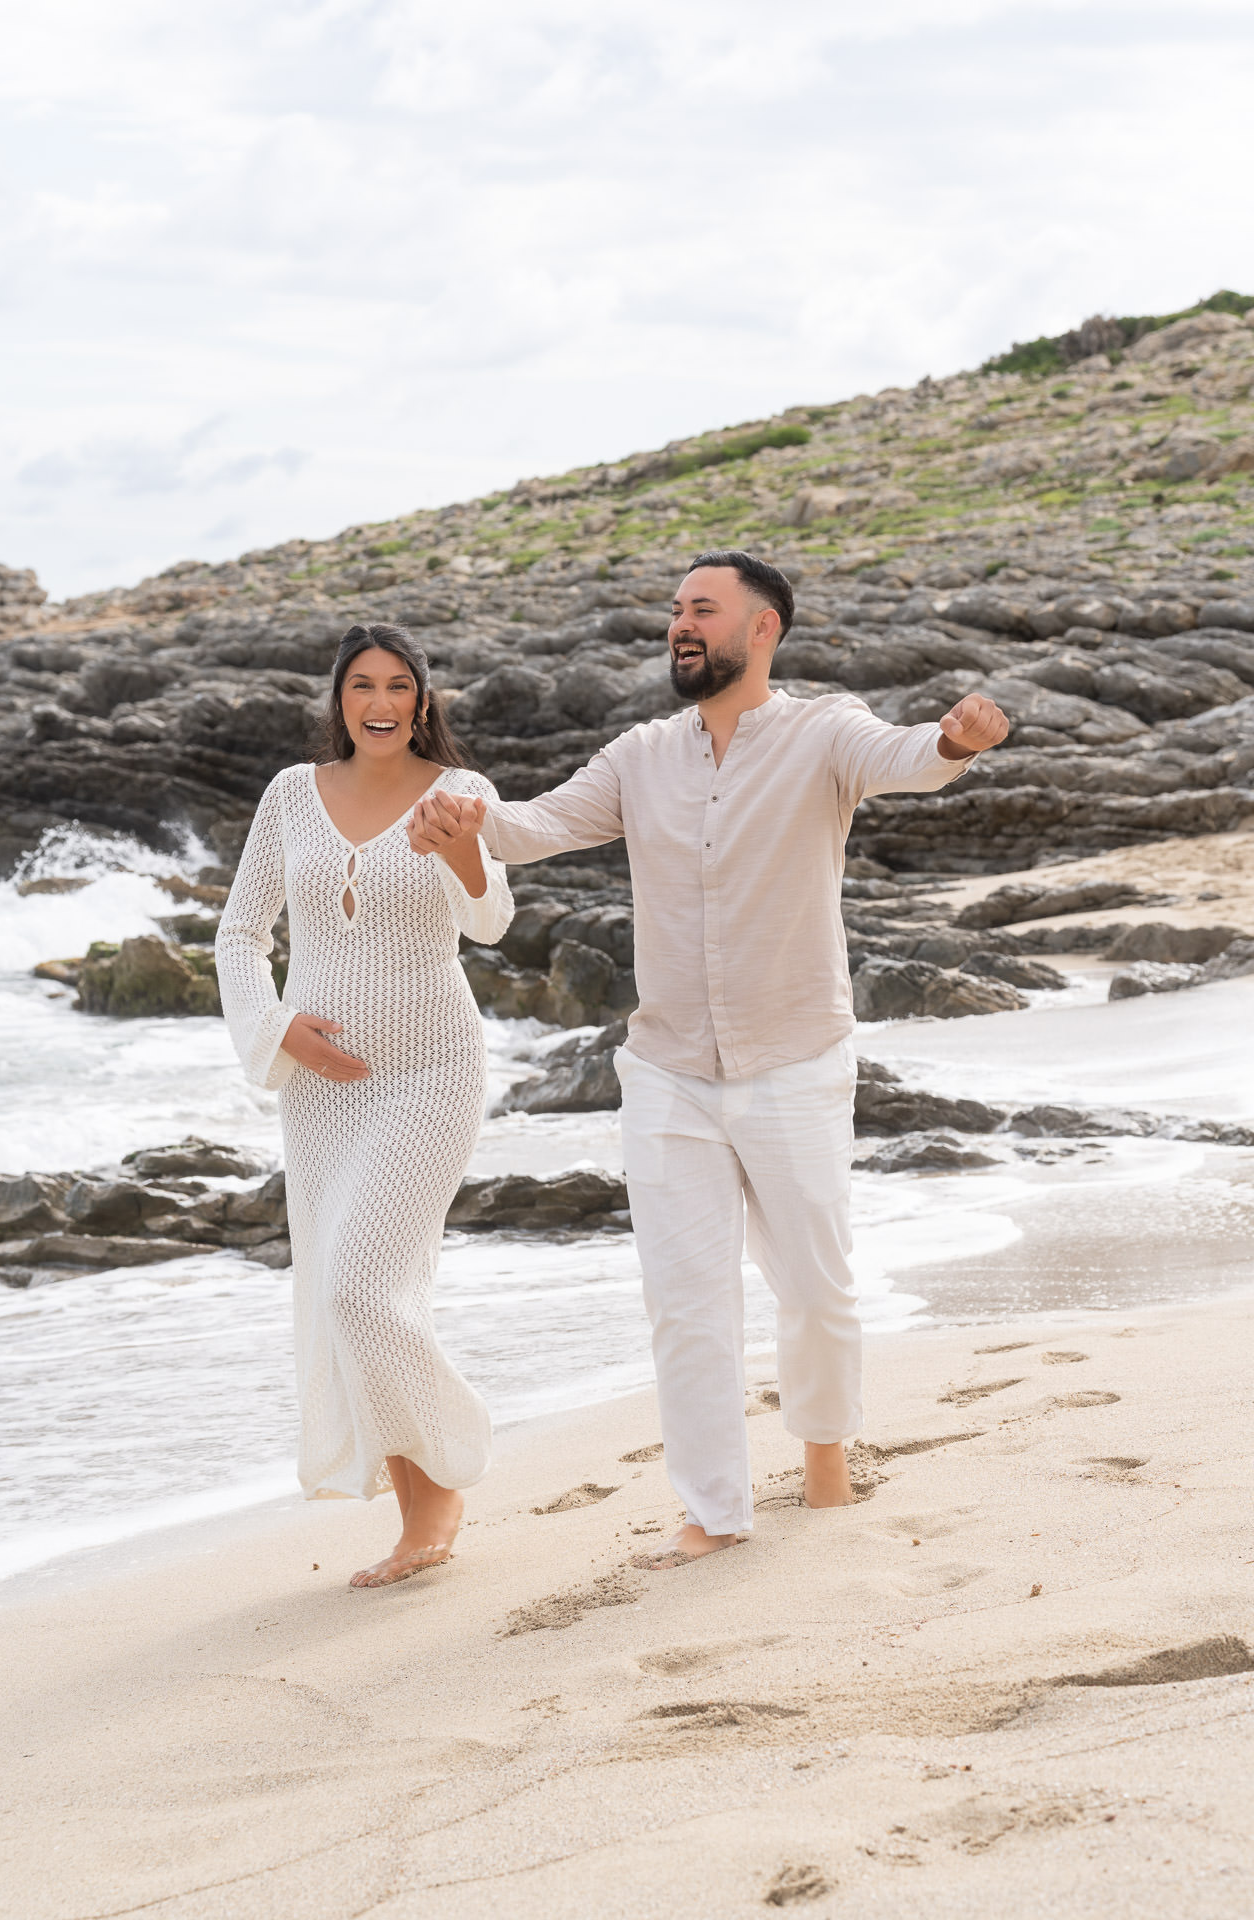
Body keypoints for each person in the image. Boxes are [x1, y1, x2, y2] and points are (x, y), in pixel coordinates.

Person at [408, 551, 1008, 1570]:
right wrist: (468, 817)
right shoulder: (639, 754)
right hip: (669, 1071)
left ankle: (824, 1458)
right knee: (684, 1301)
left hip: (794, 1059)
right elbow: (535, 825)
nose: (679, 625)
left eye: (701, 610)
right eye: (674, 611)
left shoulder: (824, 733)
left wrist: (954, 741)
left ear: (761, 628)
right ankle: (713, 1511)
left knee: (813, 1286)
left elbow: (906, 755)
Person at [216, 622, 513, 1589]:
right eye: (361, 688)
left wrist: (465, 854)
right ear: (338, 701)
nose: (379, 704)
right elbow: (238, 936)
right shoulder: (291, 795)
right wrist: (276, 1031)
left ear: (423, 700)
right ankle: (421, 1496)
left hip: (432, 1069)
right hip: (320, 1091)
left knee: (359, 1286)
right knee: (348, 1293)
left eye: (397, 687)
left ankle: (443, 1480)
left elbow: (491, 920)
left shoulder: (460, 795)